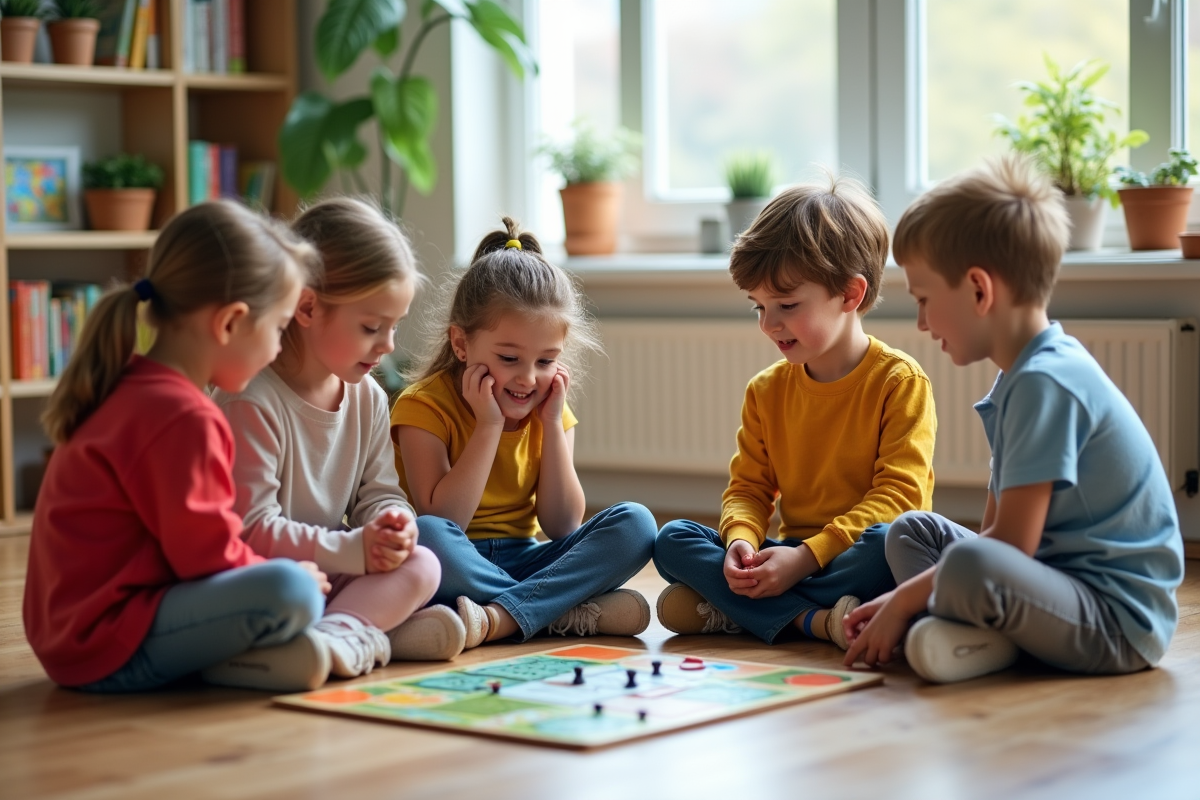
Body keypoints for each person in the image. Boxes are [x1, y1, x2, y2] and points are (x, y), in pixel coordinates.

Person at [843, 155, 1185, 683]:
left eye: (925, 299)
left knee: (967, 565)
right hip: (1051, 584)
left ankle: (966, 638)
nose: (921, 321)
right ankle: (975, 635)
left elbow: (1008, 548)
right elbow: (995, 530)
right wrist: (907, 596)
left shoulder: (1045, 382)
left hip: (1116, 620)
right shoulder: (1017, 379)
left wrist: (903, 600)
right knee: (911, 531)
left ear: (979, 290)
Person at [23, 201, 331, 693]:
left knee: (283, 583)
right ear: (230, 323)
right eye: (277, 328)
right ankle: (241, 659)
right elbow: (207, 557)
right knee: (292, 590)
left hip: (72, 637)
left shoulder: (130, 385)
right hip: (108, 645)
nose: (277, 348)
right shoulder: (183, 415)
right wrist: (284, 569)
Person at [654, 176, 937, 648]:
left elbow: (898, 498)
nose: (769, 324)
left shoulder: (898, 382)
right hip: (788, 555)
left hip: (846, 554)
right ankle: (814, 619)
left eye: (785, 305)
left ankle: (739, 610)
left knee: (890, 543)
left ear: (850, 294)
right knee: (672, 540)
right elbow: (748, 488)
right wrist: (741, 542)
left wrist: (805, 559)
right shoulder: (765, 391)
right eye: (759, 307)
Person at [215, 197, 463, 676]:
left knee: (424, 563)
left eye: (395, 327)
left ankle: (335, 637)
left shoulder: (367, 396)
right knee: (295, 587)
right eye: (372, 326)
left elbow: (379, 493)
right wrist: (352, 549)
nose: (389, 345)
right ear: (307, 307)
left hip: (328, 566)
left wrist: (393, 523)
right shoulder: (252, 399)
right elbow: (250, 530)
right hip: (267, 574)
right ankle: (365, 631)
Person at [392, 217, 657, 647]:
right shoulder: (422, 405)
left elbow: (562, 524)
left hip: (529, 559)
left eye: (546, 361)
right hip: (458, 561)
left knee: (636, 524)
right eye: (510, 358)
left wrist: (552, 425)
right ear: (461, 344)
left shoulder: (548, 409)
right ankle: (559, 610)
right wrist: (489, 426)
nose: (528, 379)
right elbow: (444, 518)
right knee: (426, 536)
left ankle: (502, 614)